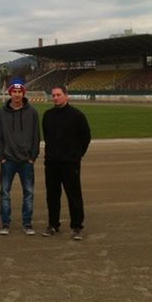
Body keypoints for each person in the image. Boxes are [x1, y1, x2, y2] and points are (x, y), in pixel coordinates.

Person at [41, 85, 91, 240]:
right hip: (51, 163)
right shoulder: (48, 115)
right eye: (53, 95)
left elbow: (86, 137)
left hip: (70, 163)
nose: (55, 97)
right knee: (52, 195)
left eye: (58, 95)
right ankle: (53, 224)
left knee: (73, 194)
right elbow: (47, 136)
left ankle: (77, 226)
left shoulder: (77, 115)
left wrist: (76, 155)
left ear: (66, 96)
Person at [0, 77, 40, 235]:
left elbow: (36, 136)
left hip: (27, 161)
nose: (17, 95)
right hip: (8, 160)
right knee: (5, 193)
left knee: (29, 193)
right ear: (10, 93)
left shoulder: (32, 112)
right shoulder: (1, 112)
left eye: (20, 92)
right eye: (15, 91)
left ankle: (27, 223)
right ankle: (5, 223)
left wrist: (33, 156)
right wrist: (1, 156)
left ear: (23, 93)